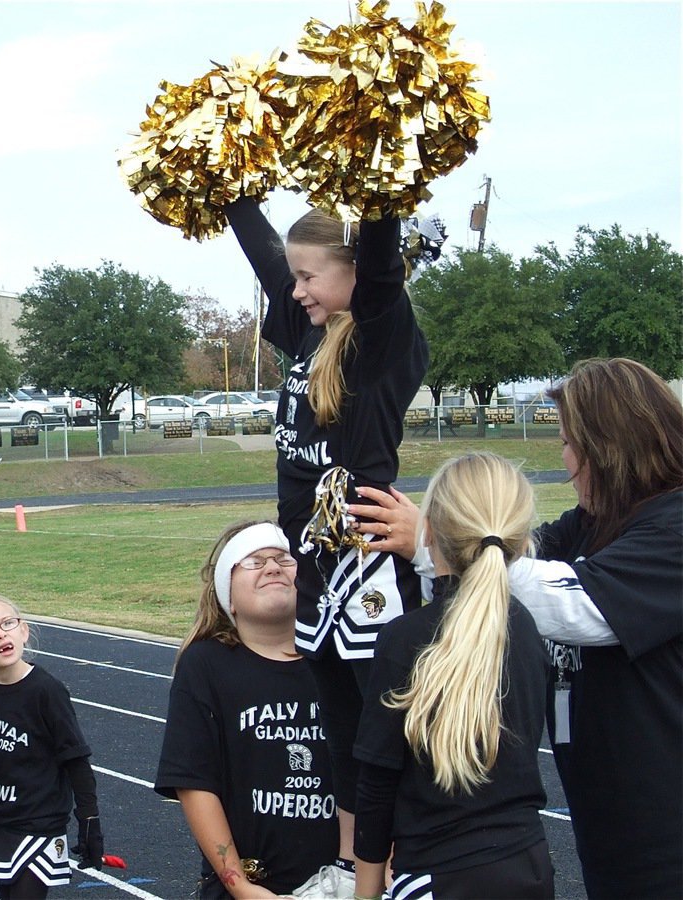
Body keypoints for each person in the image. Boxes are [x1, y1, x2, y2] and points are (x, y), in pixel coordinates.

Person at [350, 357, 683, 899]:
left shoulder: (674, 527)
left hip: (665, 827)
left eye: (569, 444)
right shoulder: (595, 522)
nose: (565, 460)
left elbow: (575, 603)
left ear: (607, 450)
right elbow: (507, 555)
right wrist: (450, 542)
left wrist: (440, 539)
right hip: (612, 821)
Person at [222, 198, 428, 895]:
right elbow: (264, 260)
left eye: (310, 276)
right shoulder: (307, 328)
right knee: (340, 729)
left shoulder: (380, 333)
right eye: (296, 277)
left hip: (367, 564)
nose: (297, 290)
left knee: (387, 734)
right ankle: (349, 867)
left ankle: (405, 867)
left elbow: (380, 262)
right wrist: (230, 187)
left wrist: (376, 189)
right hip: (313, 566)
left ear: (356, 272)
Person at [352, 453, 553, 900]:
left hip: (438, 872)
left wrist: (364, 894)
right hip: (529, 866)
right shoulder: (526, 630)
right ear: (520, 540)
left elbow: (376, 787)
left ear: (427, 530)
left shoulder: (406, 639)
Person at [155, 521, 338, 898]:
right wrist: (239, 885)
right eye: (254, 562)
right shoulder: (205, 666)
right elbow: (194, 783)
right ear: (228, 596)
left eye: (284, 559)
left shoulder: (339, 662)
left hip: (342, 883)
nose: (272, 568)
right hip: (251, 888)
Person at [0, 592, 104, 900]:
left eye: (7, 624)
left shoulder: (46, 691)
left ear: (23, 630)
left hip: (39, 826)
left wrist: (89, 820)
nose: (1, 634)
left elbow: (76, 760)